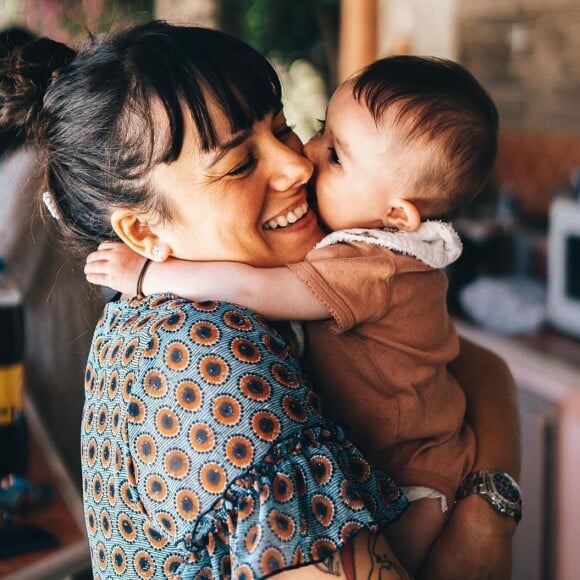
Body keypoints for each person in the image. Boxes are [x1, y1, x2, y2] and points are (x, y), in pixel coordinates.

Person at [0, 21, 520, 580]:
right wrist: (478, 531)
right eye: (242, 163)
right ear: (143, 236)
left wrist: (486, 517)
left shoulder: (289, 283)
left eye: (283, 128)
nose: (300, 165)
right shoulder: (205, 356)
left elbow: (479, 365)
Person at [0, 26, 104, 483]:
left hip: (52, 332)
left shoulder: (34, 158)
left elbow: (7, 263)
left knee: (68, 466)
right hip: (50, 327)